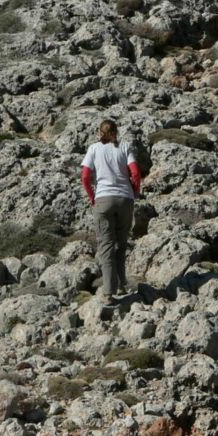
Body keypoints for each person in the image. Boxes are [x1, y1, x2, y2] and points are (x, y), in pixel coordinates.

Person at [80, 119, 142, 302]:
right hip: (125, 199)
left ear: (100, 132)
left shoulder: (93, 149)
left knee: (106, 246)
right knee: (121, 244)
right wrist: (135, 191)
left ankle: (108, 293)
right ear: (117, 132)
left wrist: (92, 196)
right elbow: (136, 173)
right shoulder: (124, 147)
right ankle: (122, 284)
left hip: (103, 199)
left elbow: (85, 177)